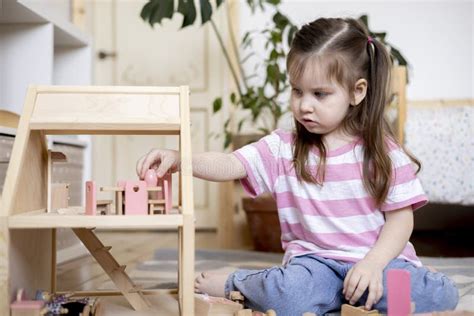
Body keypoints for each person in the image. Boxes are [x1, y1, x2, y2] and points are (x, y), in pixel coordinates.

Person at [136, 17, 458, 315]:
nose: (304, 105)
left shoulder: (382, 152)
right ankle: (239, 282)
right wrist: (182, 160)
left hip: (374, 261)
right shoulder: (283, 147)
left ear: (357, 92)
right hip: (313, 264)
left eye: (320, 94)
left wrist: (373, 264)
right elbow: (231, 164)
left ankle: (388, 283)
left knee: (436, 298)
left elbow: (400, 220)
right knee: (290, 296)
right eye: (297, 91)